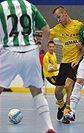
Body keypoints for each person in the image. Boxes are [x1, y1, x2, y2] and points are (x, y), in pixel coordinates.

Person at [0, 1, 56, 133]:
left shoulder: (2, 7)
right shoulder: (30, 6)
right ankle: (49, 127)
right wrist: (43, 47)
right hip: (30, 52)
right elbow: (47, 30)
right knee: (37, 91)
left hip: (9, 52)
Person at [50, 6, 84, 124]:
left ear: (65, 13)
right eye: (56, 18)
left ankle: (68, 112)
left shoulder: (78, 25)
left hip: (76, 61)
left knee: (69, 85)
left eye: (59, 17)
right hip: (64, 62)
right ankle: (61, 105)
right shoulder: (57, 29)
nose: (58, 20)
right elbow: (46, 33)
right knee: (57, 92)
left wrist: (82, 45)